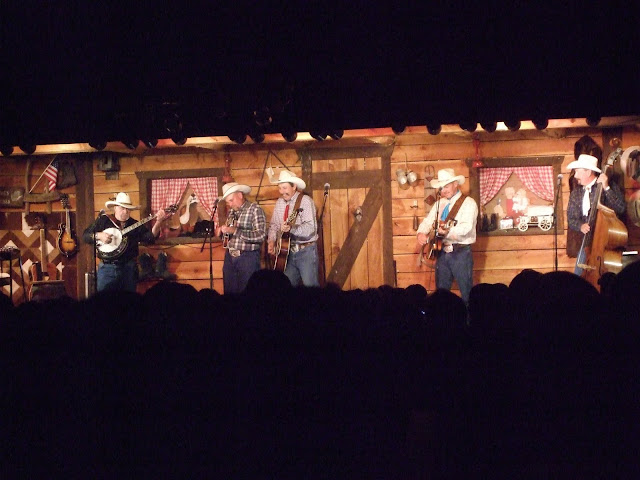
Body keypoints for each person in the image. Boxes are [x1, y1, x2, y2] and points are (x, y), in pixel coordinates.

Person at [83, 192, 171, 292]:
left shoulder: (134, 224)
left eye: (128, 209)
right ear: (115, 208)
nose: (125, 211)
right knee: (105, 299)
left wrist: (159, 222)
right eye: (122, 208)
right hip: (107, 268)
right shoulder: (103, 220)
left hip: (128, 269)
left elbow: (150, 238)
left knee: (129, 299)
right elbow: (86, 236)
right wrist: (99, 235)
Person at [417, 168, 478, 304]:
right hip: (442, 252)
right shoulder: (439, 204)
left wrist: (448, 232)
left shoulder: (469, 203)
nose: (443, 190)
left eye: (446, 186)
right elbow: (428, 221)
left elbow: (467, 228)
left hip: (461, 252)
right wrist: (421, 233)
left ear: (456, 184)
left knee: (467, 293)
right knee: (441, 295)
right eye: (442, 187)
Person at [267, 170, 319, 287]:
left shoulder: (305, 201)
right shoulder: (279, 203)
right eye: (280, 188)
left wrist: (292, 228)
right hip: (286, 253)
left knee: (311, 288)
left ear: (294, 186)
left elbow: (311, 228)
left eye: (284, 188)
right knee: (286, 288)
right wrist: (271, 241)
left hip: (306, 252)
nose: (282, 192)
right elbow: (274, 225)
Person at [215, 182, 267, 295]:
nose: (229, 204)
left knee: (247, 294)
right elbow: (229, 236)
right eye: (228, 202)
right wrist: (222, 233)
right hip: (230, 257)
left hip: (248, 257)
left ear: (240, 195)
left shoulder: (255, 210)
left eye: (231, 200)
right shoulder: (232, 212)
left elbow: (261, 235)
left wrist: (235, 231)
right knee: (229, 294)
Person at [566, 154, 626, 239]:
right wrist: (580, 226)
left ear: (588, 172)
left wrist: (606, 188)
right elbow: (571, 218)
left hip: (605, 237)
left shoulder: (609, 186)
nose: (575, 176)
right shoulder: (576, 193)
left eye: (577, 172)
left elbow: (621, 208)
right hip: (585, 240)